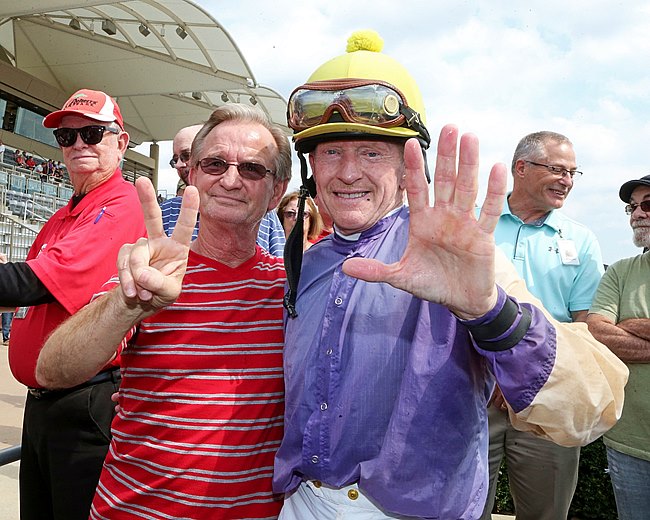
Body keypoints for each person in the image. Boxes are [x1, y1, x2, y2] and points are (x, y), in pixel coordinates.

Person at [275, 30, 627, 520]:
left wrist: (488, 312)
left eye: (373, 152)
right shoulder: (306, 265)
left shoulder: (451, 258)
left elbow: (593, 404)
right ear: (310, 165)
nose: (347, 172)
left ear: (408, 165)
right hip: (298, 504)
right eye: (331, 152)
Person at [36, 104, 292, 519]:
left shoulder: (292, 290)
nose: (230, 180)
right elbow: (53, 370)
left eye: (252, 169)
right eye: (214, 164)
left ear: (276, 192)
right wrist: (128, 302)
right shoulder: (151, 270)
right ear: (192, 175)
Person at [0, 88, 146, 520]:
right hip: (45, 403)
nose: (79, 144)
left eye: (93, 133)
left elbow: (27, 286)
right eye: (68, 137)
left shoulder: (118, 205)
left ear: (121, 142)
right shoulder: (64, 213)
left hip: (85, 402)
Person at [480, 131, 605, 520]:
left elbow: (584, 327)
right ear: (521, 168)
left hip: (549, 399)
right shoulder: (476, 224)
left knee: (547, 512)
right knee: (461, 507)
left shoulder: (581, 241)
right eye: (556, 169)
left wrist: (529, 377)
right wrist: (494, 373)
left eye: (571, 172)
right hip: (475, 394)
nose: (566, 180)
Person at [587, 174, 650, 520]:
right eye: (633, 206)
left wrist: (631, 326)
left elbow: (613, 332)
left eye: (648, 204)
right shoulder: (621, 271)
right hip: (629, 445)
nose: (638, 213)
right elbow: (596, 332)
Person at [162, 124, 287, 256]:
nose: (179, 165)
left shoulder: (264, 213)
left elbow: (281, 260)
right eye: (175, 159)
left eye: (250, 168)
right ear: (194, 174)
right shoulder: (164, 212)